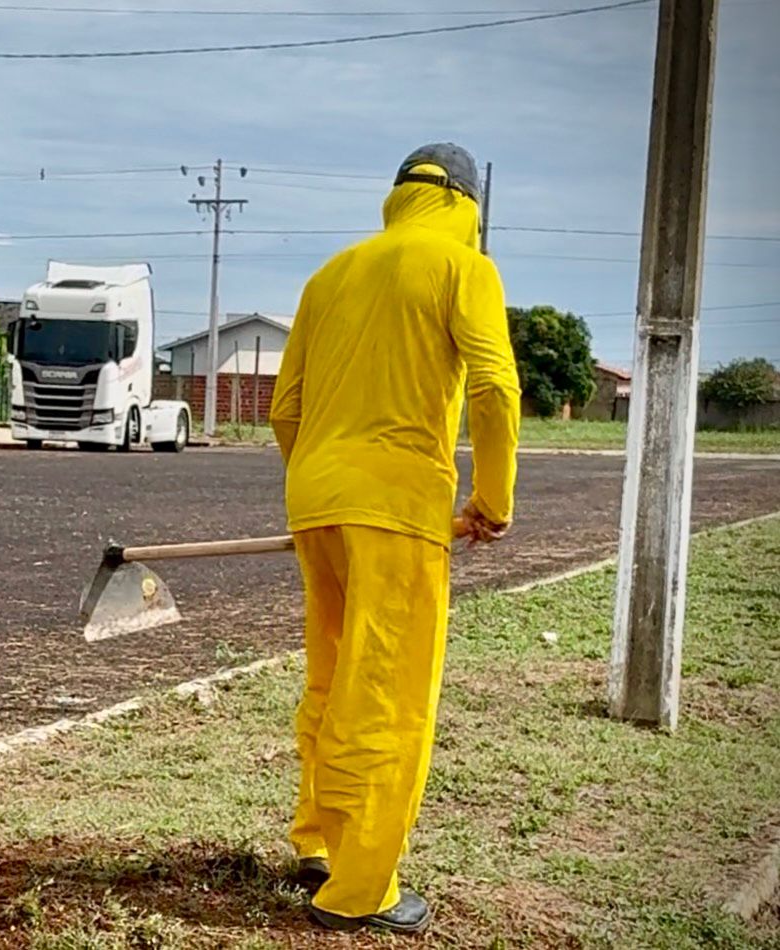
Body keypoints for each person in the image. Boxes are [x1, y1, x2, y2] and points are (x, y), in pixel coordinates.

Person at [268, 143, 520, 935]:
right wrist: (494, 499)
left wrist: (325, 482)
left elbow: (284, 409)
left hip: (316, 499)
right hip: (400, 507)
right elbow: (494, 385)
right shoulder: (461, 267)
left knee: (334, 675)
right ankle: (361, 889)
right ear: (469, 204)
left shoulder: (331, 275)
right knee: (388, 691)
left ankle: (320, 841)